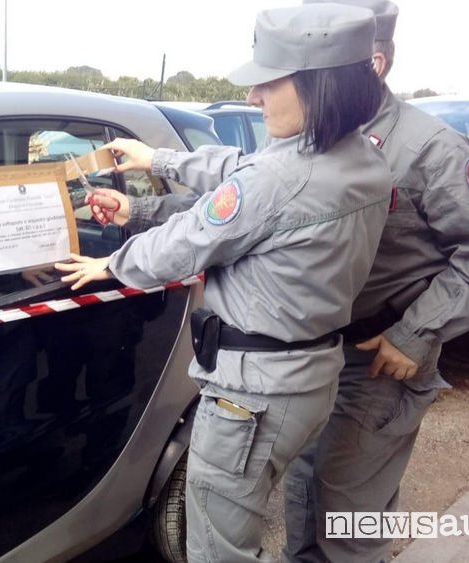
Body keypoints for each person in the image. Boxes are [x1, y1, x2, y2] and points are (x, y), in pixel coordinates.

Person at [55, 4, 391, 560]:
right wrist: (157, 164)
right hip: (309, 377)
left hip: (250, 399)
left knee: (219, 549)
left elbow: (187, 241)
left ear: (319, 86)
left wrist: (110, 265)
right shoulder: (361, 159)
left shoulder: (279, 178)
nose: (253, 99)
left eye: (267, 82)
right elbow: (245, 171)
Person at [278, 2, 469, 562]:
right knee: (303, 490)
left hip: (381, 358)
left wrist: (416, 334)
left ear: (374, 63)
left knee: (347, 514)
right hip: (319, 354)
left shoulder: (431, 149)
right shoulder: (311, 137)